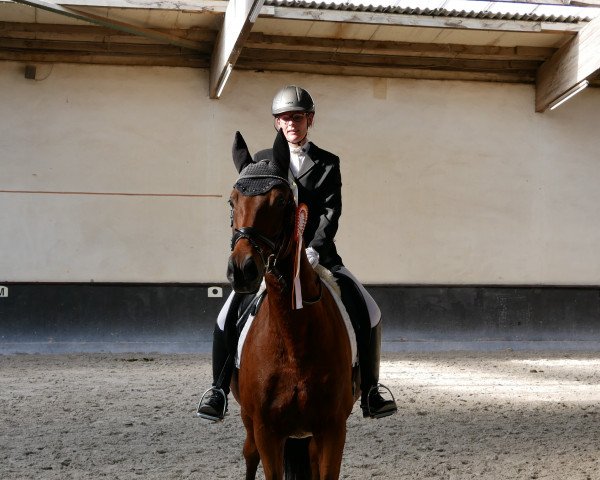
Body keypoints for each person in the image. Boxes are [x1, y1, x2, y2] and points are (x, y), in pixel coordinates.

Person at [197, 85, 397, 421]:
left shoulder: (327, 163)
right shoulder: (261, 162)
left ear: (310, 120)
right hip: (272, 260)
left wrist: (315, 248)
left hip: (321, 258)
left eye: (298, 117)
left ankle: (372, 391)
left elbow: (331, 212)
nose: (292, 123)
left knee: (370, 309)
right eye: (285, 118)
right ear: (277, 123)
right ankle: (217, 390)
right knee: (226, 313)